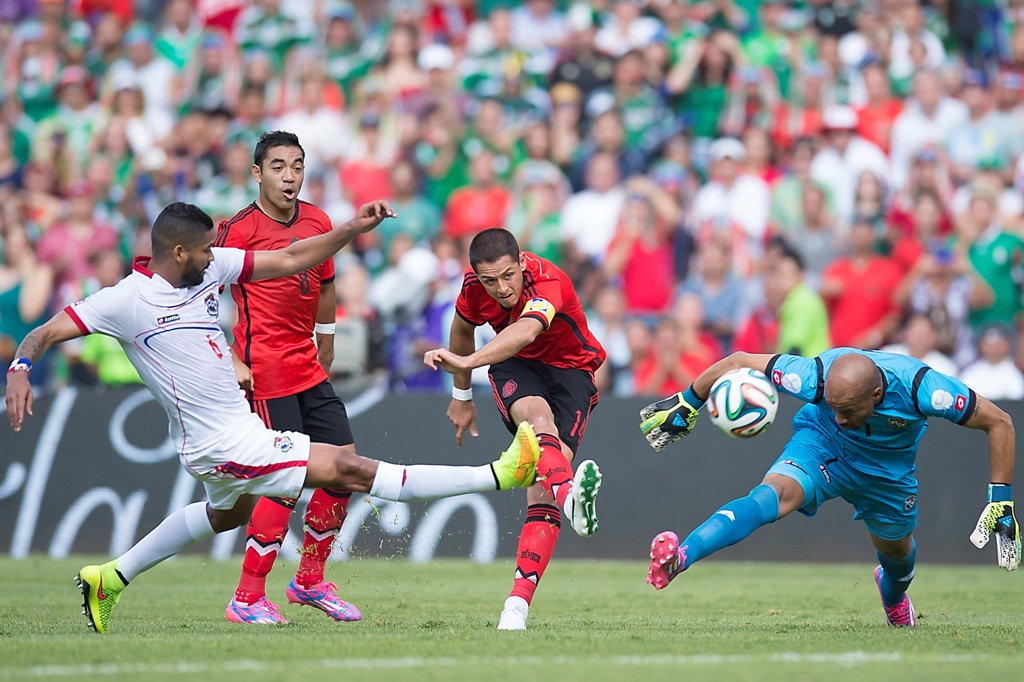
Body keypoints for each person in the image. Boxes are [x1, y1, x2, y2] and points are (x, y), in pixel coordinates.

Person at [5, 201, 543, 635]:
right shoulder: (126, 301)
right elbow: (47, 330)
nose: (214, 257)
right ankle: (500, 474)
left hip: (231, 431)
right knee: (350, 469)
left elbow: (290, 259)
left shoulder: (209, 265)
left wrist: (353, 228)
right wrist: (21, 366)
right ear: (176, 251)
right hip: (224, 445)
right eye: (202, 250)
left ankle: (110, 578)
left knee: (227, 515)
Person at [638, 348, 1019, 628]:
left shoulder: (925, 389)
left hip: (887, 475)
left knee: (899, 560)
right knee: (771, 495)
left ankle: (894, 597)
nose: (840, 416)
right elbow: (737, 360)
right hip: (822, 445)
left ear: (875, 396)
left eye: (847, 410)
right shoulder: (810, 376)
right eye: (832, 405)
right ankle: (680, 558)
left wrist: (1000, 499)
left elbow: (1000, 423)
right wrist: (689, 401)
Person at [422, 227, 604, 631]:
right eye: (490, 281)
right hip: (516, 365)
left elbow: (526, 330)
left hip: (572, 371)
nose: (501, 288)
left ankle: (518, 600)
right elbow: (463, 329)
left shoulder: (549, 279)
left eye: (508, 275)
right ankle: (516, 610)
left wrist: (467, 364)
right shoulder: (473, 288)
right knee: (540, 422)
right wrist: (463, 396)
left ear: (522, 262)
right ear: (476, 276)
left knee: (542, 486)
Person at [212, 130, 359, 625]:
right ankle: (247, 597)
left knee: (344, 468)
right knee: (286, 481)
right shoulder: (238, 231)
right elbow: (200, 296)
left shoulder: (319, 221)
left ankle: (309, 581)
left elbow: (327, 283)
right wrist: (228, 358)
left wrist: (329, 339)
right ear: (257, 173)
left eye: (296, 166)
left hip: (308, 366)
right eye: (278, 166)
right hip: (266, 373)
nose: (289, 176)